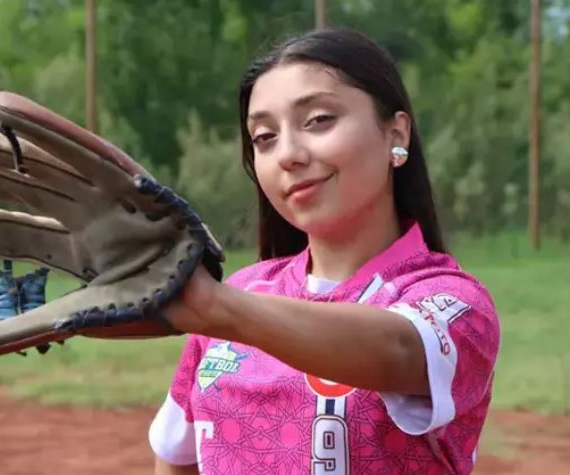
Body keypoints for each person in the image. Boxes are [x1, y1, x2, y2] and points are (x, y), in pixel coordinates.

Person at [149, 28, 500, 475]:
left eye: (318, 120)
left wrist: (215, 307)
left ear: (396, 133)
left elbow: (396, 349)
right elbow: (176, 458)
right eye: (264, 137)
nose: (288, 155)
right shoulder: (239, 294)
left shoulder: (455, 304)